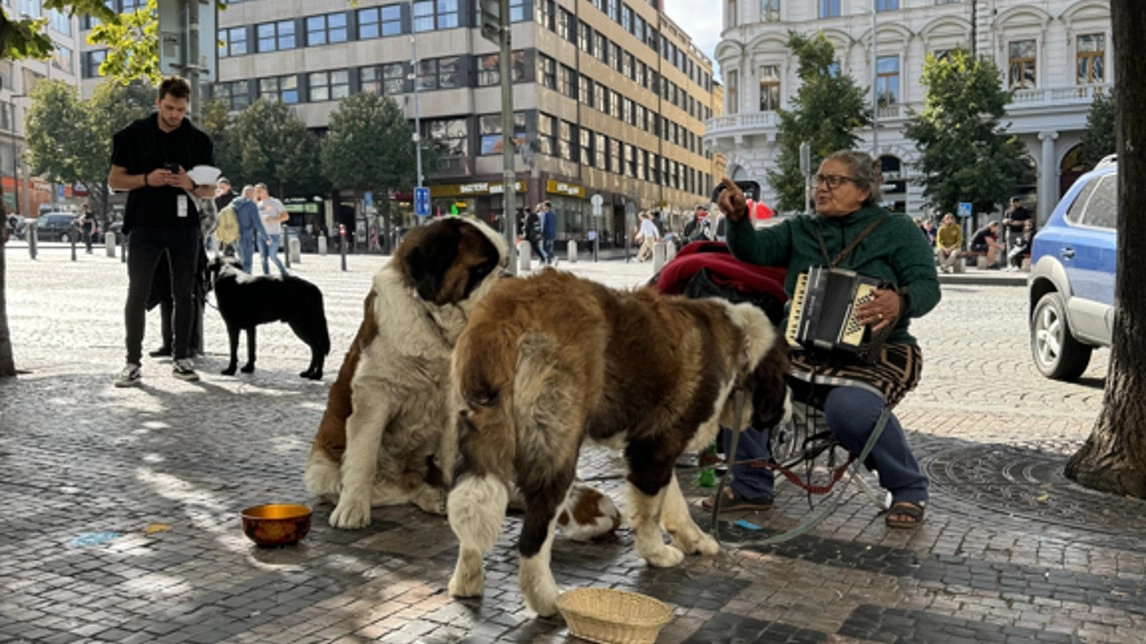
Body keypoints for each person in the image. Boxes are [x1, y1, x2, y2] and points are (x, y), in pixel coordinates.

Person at [716, 149, 941, 529]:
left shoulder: (898, 230)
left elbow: (928, 287)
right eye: (819, 180)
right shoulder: (801, 229)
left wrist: (900, 301)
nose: (821, 188)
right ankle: (751, 485)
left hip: (877, 352)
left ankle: (907, 487)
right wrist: (738, 220)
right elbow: (753, 250)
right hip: (800, 349)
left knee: (851, 409)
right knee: (739, 385)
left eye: (834, 181)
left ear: (863, 191)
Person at [109, 76, 215, 387]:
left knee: (185, 292)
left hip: (184, 225)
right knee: (138, 291)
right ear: (158, 102)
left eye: (181, 110)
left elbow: (210, 190)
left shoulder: (198, 141)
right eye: (169, 108)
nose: (174, 115)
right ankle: (132, 362)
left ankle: (182, 358)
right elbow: (115, 180)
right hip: (144, 221)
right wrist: (147, 179)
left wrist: (189, 184)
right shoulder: (134, 134)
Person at [255, 183, 289, 276]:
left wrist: (273, 219)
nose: (258, 193)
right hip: (261, 235)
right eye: (256, 192)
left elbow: (286, 216)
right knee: (263, 257)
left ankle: (284, 272)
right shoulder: (258, 204)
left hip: (274, 234)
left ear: (265, 190)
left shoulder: (275, 202)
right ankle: (266, 275)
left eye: (259, 191)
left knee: (272, 255)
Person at [233, 185, 269, 274]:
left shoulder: (234, 203)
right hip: (246, 237)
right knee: (247, 263)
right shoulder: (251, 205)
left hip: (234, 236)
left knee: (240, 261)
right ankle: (246, 280)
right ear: (252, 194)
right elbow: (258, 223)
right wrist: (266, 237)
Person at [539, 201, 558, 266]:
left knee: (545, 248)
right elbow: (555, 224)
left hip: (547, 234)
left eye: (544, 206)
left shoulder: (546, 214)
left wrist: (542, 233)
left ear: (547, 207)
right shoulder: (553, 214)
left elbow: (544, 225)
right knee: (549, 247)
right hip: (552, 234)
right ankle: (549, 261)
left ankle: (553, 258)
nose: (543, 207)